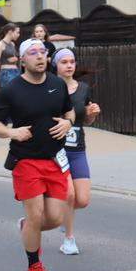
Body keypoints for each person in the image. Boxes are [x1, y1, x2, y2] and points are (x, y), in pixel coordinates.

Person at [0, 39, 75, 271]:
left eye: (43, 52)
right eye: (33, 53)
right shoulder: (12, 90)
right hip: (25, 160)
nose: (40, 56)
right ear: (22, 60)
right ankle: (34, 266)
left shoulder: (58, 85)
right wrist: (12, 133)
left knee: (56, 218)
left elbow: (68, 111)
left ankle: (27, 227)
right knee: (36, 216)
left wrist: (68, 122)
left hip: (54, 160)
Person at [52, 48, 101, 255]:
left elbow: (86, 121)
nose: (70, 65)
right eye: (64, 62)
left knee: (82, 200)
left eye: (72, 61)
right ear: (55, 65)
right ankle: (69, 240)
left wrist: (92, 114)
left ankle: (61, 215)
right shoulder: (48, 87)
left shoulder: (83, 88)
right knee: (69, 194)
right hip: (56, 149)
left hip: (78, 149)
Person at [0, 23, 21, 91]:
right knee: (10, 94)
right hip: (7, 73)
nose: (18, 35)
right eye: (17, 32)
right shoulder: (0, 44)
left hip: (16, 71)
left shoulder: (12, 44)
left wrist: (15, 59)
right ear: (10, 32)